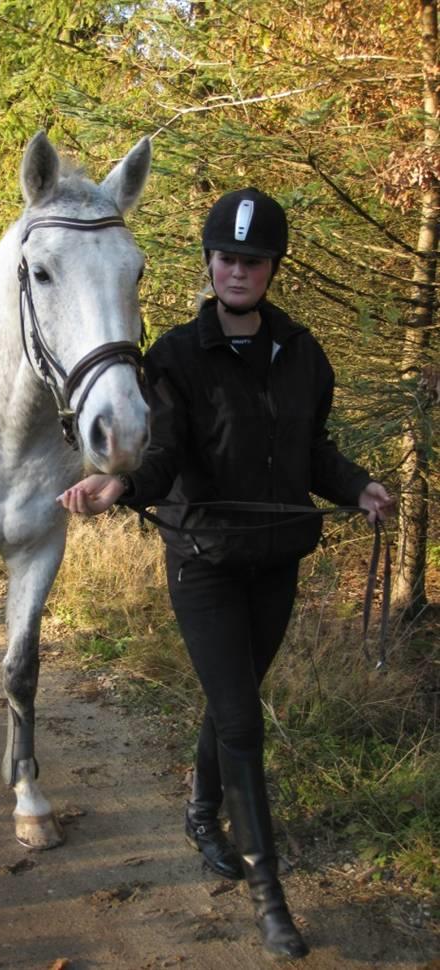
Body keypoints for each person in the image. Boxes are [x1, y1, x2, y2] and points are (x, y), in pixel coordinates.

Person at [58, 187, 393, 960]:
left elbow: (313, 450)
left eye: (252, 259)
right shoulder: (175, 355)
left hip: (276, 562)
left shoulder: (304, 353)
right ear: (209, 263)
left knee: (232, 697)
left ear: (272, 267)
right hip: (205, 561)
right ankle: (269, 892)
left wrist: (356, 485)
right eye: (226, 257)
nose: (237, 270)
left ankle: (203, 809)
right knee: (242, 720)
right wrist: (120, 485)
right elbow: (166, 454)